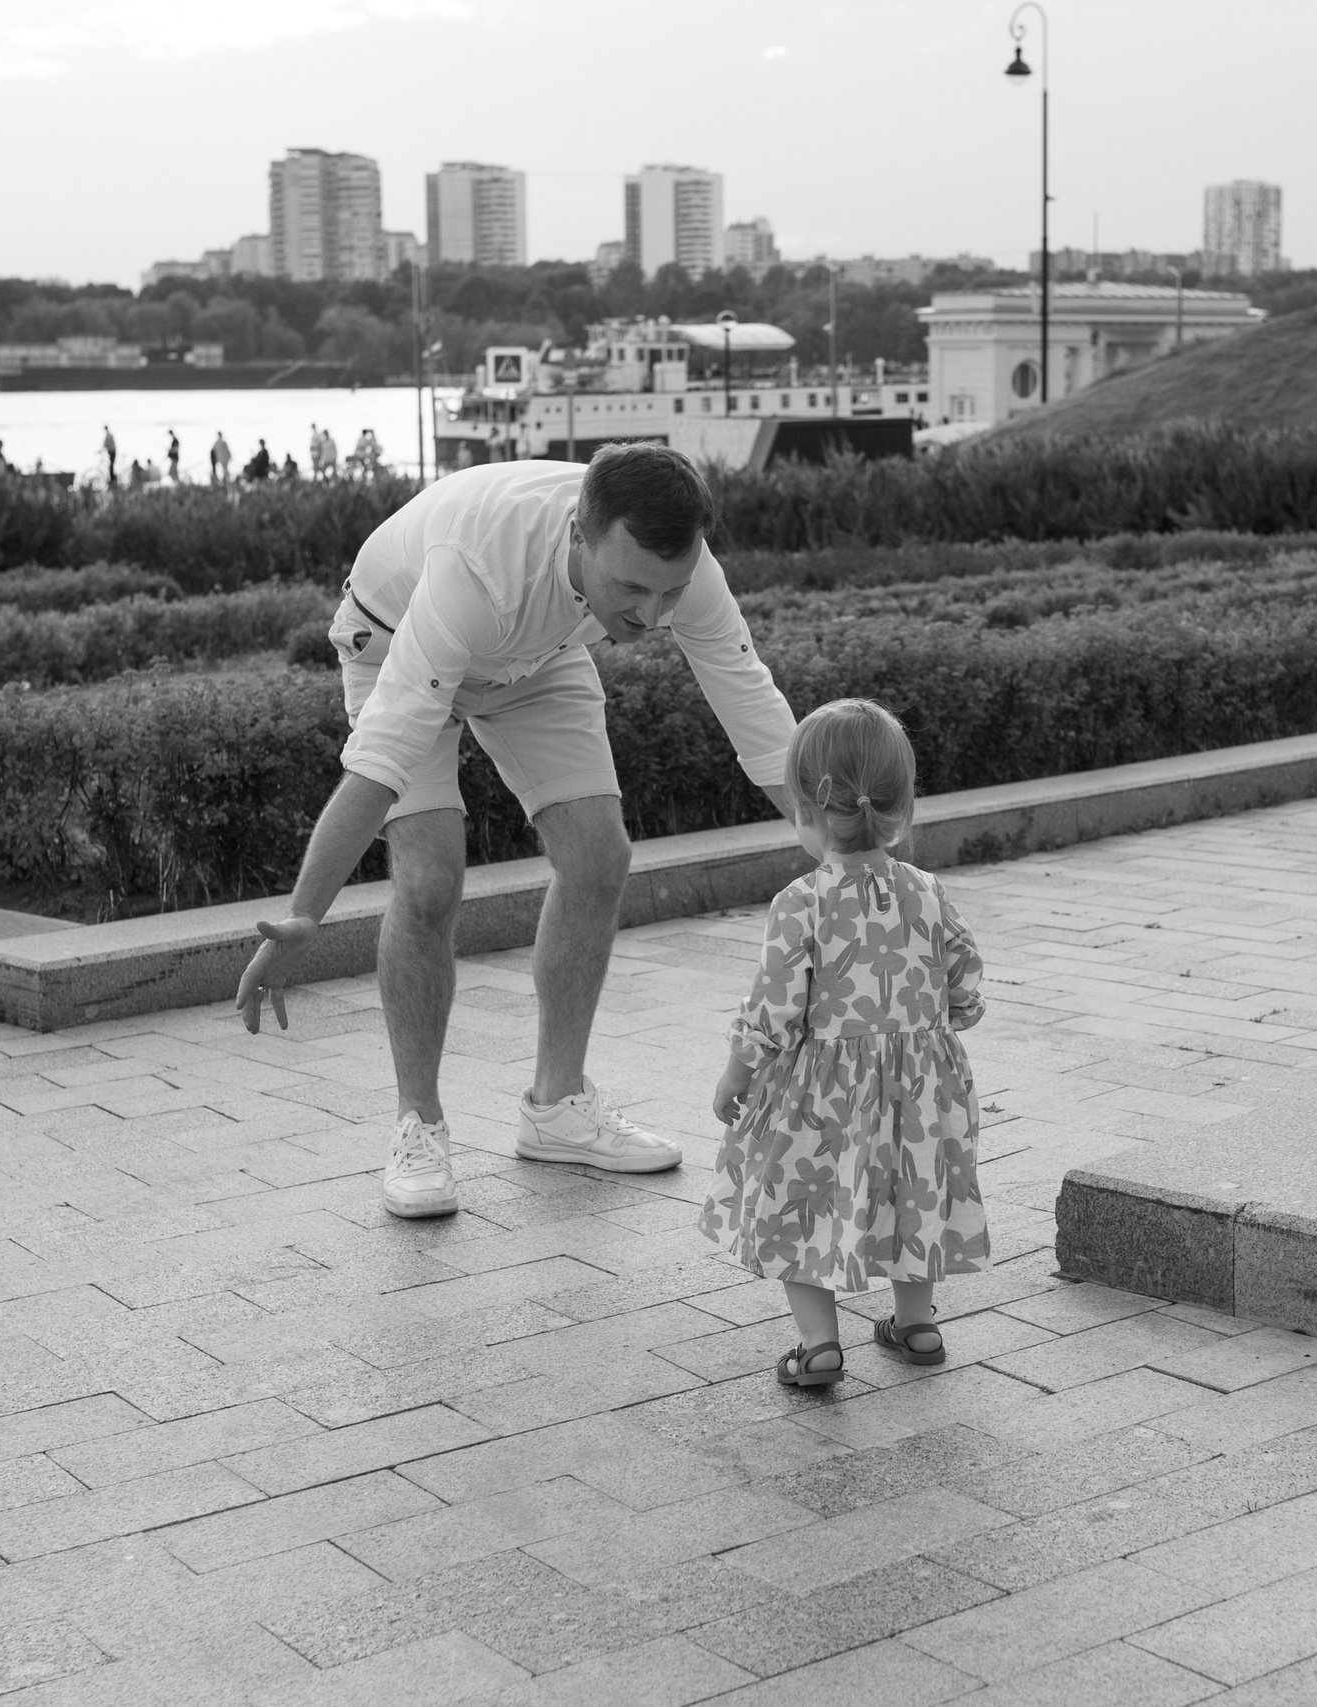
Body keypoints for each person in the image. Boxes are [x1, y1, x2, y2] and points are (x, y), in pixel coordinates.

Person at [233, 446, 803, 1219]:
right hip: (396, 637)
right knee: (431, 881)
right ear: (578, 533)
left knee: (599, 857)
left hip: (536, 657)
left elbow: (759, 720)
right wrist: (305, 913)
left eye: (668, 593)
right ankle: (418, 1125)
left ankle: (557, 1108)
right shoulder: (477, 568)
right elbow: (382, 761)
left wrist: (854, 858)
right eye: (631, 588)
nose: (650, 617)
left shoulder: (681, 571)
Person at [702, 697, 988, 1386]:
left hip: (819, 1100)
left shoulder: (802, 901)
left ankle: (820, 1345)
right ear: (902, 803)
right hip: (917, 1093)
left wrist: (736, 1073)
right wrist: (943, 1016)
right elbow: (965, 979)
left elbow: (773, 1010)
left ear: (805, 806)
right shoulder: (926, 889)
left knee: (802, 1205)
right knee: (910, 1195)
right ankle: (916, 1324)